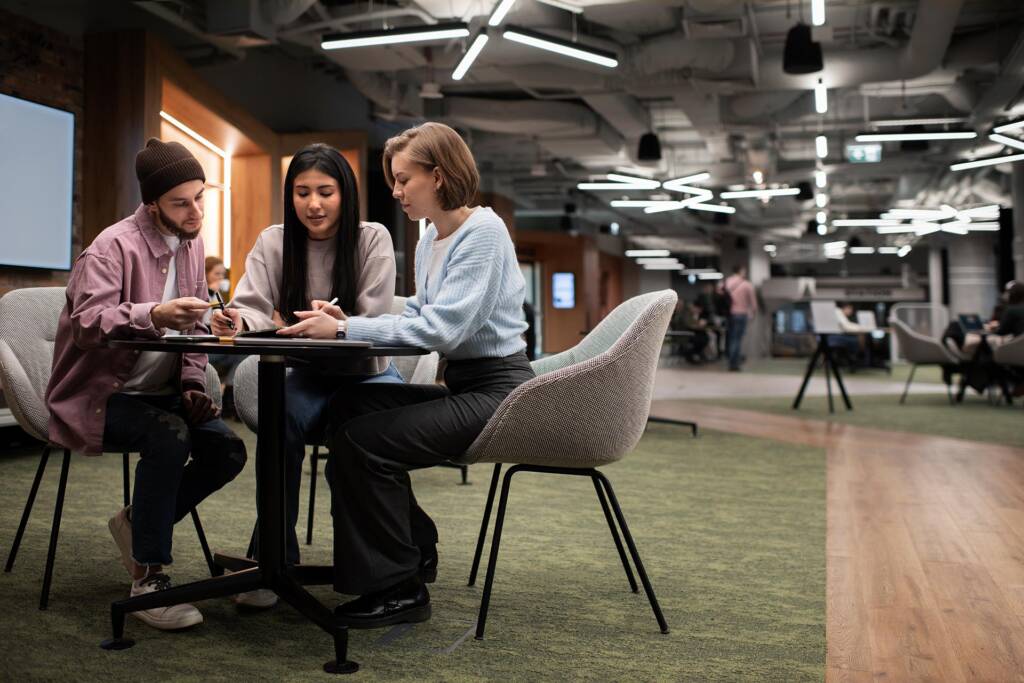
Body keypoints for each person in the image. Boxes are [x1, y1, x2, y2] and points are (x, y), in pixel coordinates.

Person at [274, 122, 534, 629]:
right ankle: (413, 544)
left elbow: (442, 328)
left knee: (364, 443)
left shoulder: (484, 232)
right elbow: (418, 311)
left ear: (438, 176)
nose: (395, 191)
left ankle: (399, 588)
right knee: (348, 407)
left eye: (402, 179)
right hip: (464, 384)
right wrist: (347, 320)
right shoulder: (431, 236)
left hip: (501, 393)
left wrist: (344, 329)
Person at [45, 138, 247, 631]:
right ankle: (148, 578)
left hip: (161, 396)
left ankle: (137, 524)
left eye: (200, 197)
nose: (196, 212)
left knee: (228, 452)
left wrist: (195, 380)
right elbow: (88, 324)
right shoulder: (110, 247)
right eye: (181, 203)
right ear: (152, 204)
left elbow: (194, 330)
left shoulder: (192, 244)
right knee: (168, 437)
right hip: (101, 397)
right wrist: (153, 314)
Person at [210, 143, 402, 606]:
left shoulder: (371, 238)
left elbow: (375, 317)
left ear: (345, 194)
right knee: (279, 424)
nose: (313, 204)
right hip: (308, 372)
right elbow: (252, 307)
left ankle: (374, 568)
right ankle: (273, 562)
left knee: (362, 440)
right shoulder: (274, 241)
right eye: (302, 193)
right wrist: (235, 320)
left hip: (365, 373)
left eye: (325, 192)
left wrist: (339, 323)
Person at [203, 256, 241, 393]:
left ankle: (230, 389)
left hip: (214, 342)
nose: (220, 278)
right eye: (216, 274)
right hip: (203, 346)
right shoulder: (203, 292)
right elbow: (205, 318)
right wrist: (210, 291)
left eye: (222, 275)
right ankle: (230, 391)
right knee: (242, 353)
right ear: (205, 273)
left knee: (244, 351)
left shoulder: (217, 293)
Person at [724, 265, 757, 371]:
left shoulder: (727, 282)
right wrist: (753, 313)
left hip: (730, 314)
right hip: (741, 314)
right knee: (737, 339)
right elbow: (753, 302)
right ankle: (734, 363)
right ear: (741, 271)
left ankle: (730, 359)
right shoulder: (747, 284)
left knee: (731, 337)